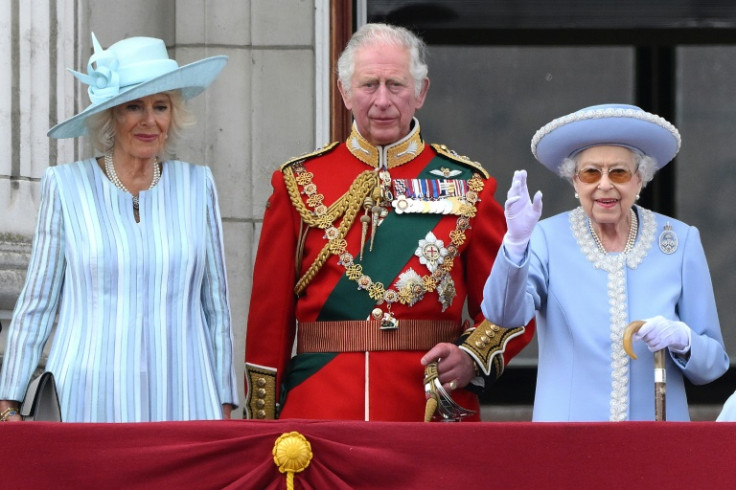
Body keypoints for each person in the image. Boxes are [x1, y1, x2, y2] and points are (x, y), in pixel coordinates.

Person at [244, 23, 533, 422]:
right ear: (344, 91)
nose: (382, 100)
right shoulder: (298, 181)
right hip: (319, 409)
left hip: (428, 410)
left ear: (421, 92)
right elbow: (268, 323)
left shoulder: (469, 187)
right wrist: (262, 425)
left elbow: (511, 307)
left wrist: (470, 357)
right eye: (368, 85)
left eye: (395, 85)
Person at [0, 34, 237, 422]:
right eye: (133, 107)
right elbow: (37, 303)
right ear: (110, 116)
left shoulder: (198, 186)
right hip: (87, 399)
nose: (149, 121)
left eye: (160, 106)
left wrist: (225, 400)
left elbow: (217, 307)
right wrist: (7, 403)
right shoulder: (67, 186)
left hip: (185, 396)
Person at [482, 103, 729, 421]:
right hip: (569, 440)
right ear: (574, 181)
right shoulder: (545, 238)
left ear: (640, 179)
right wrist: (515, 245)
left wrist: (684, 340)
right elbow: (503, 316)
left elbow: (713, 366)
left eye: (619, 172)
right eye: (590, 173)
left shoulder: (680, 241)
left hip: (656, 440)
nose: (604, 184)